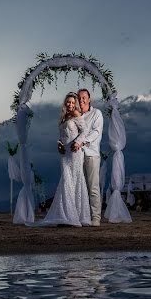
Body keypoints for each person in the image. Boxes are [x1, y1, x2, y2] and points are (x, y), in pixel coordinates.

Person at [41, 93, 92, 227]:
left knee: (74, 180)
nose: (70, 105)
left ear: (75, 104)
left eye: (72, 102)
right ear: (65, 103)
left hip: (75, 152)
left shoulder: (76, 114)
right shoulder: (63, 117)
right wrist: (59, 144)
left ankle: (74, 216)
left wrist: (78, 142)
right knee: (66, 180)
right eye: (68, 102)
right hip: (65, 153)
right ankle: (65, 215)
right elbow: (62, 136)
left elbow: (85, 131)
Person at [58, 88, 103, 225]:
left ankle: (96, 217)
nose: (82, 99)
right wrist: (61, 144)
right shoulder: (73, 114)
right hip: (75, 155)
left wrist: (81, 142)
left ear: (89, 99)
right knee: (77, 185)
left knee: (93, 187)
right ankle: (78, 216)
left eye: (84, 97)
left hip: (91, 153)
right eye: (80, 97)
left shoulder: (96, 114)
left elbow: (95, 132)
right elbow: (67, 134)